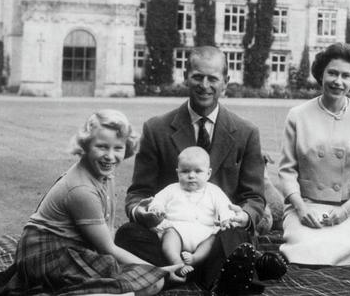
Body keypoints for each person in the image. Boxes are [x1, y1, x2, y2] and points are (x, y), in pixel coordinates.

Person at [115, 46, 286, 295]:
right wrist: (143, 212)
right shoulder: (157, 129)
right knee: (128, 235)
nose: (204, 85)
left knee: (238, 236)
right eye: (197, 76)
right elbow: (138, 193)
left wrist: (244, 216)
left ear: (225, 82)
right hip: (169, 237)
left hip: (219, 236)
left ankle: (187, 274)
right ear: (186, 76)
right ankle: (222, 274)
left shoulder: (246, 132)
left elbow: (255, 198)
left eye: (213, 78)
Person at [0, 109, 184, 296]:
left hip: (75, 249)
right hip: (47, 253)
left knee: (146, 281)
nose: (110, 156)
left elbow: (108, 231)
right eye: (101, 147)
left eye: (118, 148)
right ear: (85, 145)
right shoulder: (81, 190)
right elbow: (108, 248)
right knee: (150, 282)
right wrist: (160, 269)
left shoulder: (105, 175)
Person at [278, 42, 350, 266]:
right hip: (304, 205)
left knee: (339, 249)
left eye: (345, 75)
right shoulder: (297, 116)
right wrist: (301, 207)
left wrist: (345, 211)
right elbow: (287, 171)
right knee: (305, 248)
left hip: (346, 209)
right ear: (320, 74)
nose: (338, 81)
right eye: (332, 73)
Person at [148, 146, 235, 277]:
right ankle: (177, 263)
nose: (191, 176)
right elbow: (158, 200)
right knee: (169, 237)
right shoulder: (172, 189)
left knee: (212, 240)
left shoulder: (214, 191)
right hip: (177, 230)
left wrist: (226, 218)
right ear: (177, 172)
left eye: (198, 171)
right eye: (185, 171)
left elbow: (225, 206)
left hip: (204, 232)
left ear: (208, 173)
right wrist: (157, 208)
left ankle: (195, 259)